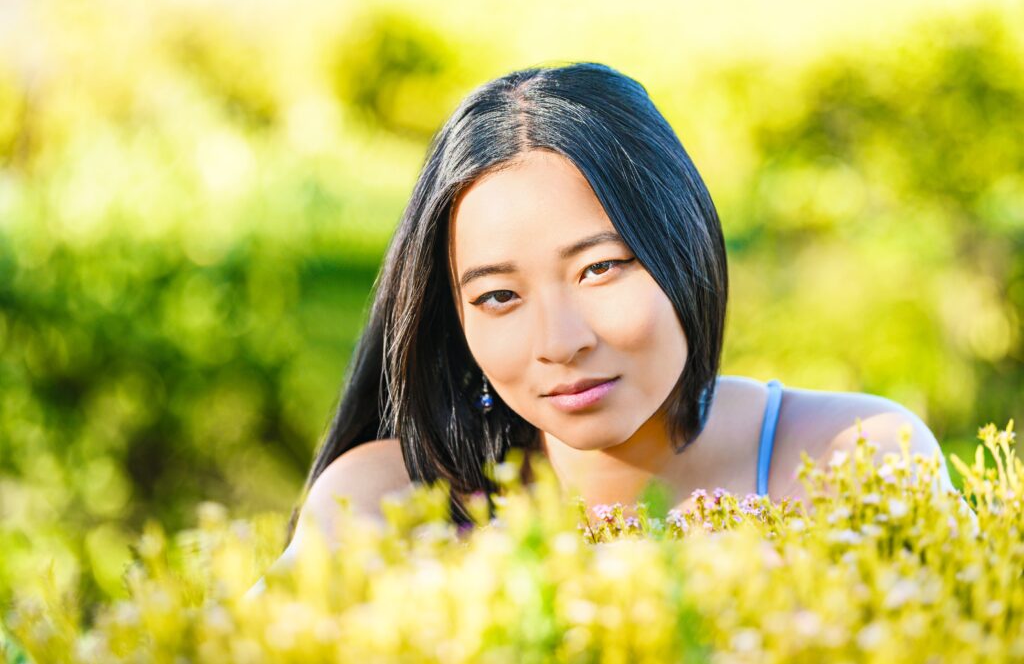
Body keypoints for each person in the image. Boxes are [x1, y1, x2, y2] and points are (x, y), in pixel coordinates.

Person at [247, 61, 956, 596]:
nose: (560, 340)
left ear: (685, 244)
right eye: (497, 295)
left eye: (600, 269)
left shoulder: (851, 461)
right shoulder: (390, 504)